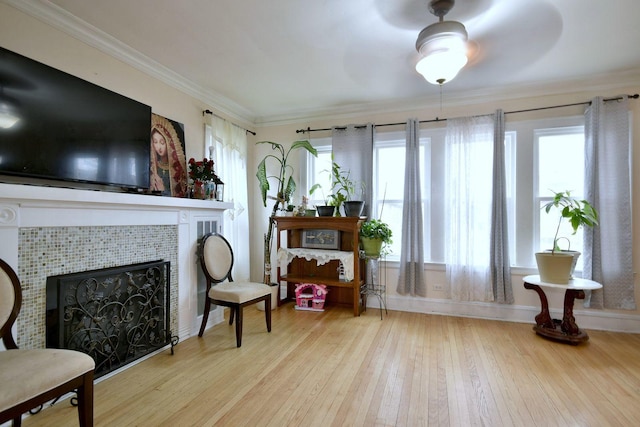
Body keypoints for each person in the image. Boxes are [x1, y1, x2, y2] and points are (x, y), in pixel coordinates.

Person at [150, 114, 187, 197]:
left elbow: (181, 194)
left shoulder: (177, 168)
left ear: (169, 144)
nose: (159, 147)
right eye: (155, 142)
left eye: (162, 143)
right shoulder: (153, 168)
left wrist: (162, 189)